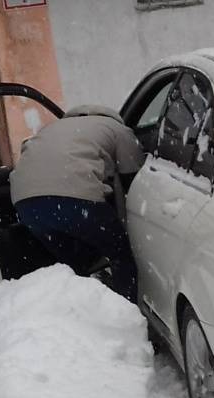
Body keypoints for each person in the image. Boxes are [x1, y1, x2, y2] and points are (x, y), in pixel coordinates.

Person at [9, 105, 144, 302]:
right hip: (76, 201)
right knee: (120, 254)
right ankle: (127, 311)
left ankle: (78, 314)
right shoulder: (117, 129)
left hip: (27, 206)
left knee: (74, 264)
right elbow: (134, 176)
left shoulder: (51, 129)